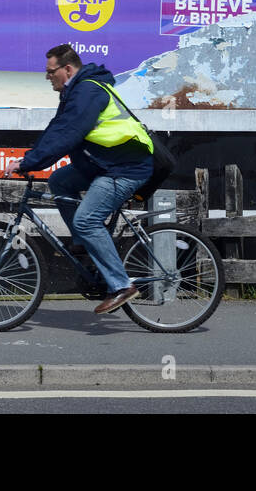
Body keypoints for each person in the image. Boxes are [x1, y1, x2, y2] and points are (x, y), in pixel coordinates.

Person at [12, 43, 154, 315]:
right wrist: (29, 158)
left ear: (67, 69)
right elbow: (56, 130)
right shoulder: (74, 92)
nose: (47, 78)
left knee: (87, 219)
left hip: (124, 166)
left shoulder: (88, 91)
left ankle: (122, 285)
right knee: (59, 181)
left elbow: (69, 136)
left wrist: (29, 163)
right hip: (103, 164)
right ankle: (83, 242)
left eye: (50, 72)